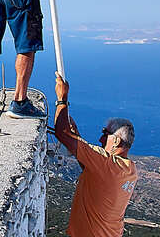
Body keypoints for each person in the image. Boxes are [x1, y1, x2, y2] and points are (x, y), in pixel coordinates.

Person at [53, 73, 139, 237]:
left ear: (115, 141)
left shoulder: (107, 163)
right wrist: (77, 138)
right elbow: (93, 169)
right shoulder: (130, 170)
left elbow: (61, 133)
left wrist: (62, 99)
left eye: (105, 134)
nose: (100, 139)